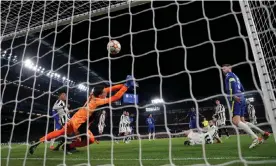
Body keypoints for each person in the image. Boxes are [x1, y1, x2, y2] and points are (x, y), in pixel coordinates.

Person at [29, 75, 135, 155]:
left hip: (74, 118)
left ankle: (38, 141)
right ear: (100, 94)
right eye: (104, 92)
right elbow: (115, 97)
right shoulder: (97, 101)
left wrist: (126, 84)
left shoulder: (95, 94)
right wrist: (126, 86)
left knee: (60, 132)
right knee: (91, 140)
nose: (106, 92)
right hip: (79, 124)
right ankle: (70, 146)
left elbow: (111, 89)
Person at [222, 64, 264, 148]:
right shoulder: (236, 76)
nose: (223, 70)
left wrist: (233, 96)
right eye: (222, 69)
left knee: (235, 121)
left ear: (230, 68)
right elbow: (242, 88)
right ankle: (263, 133)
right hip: (242, 97)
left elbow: (232, 85)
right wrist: (241, 96)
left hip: (236, 98)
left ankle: (255, 138)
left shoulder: (229, 76)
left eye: (224, 68)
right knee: (242, 121)